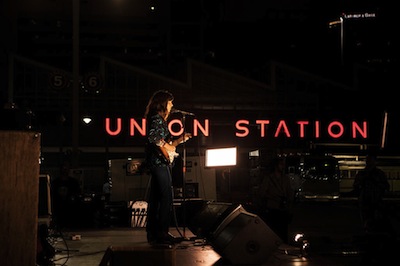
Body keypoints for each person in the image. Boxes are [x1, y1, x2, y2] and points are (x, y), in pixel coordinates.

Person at [144, 89, 191, 246]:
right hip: (159, 164)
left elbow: (164, 143)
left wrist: (178, 141)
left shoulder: (156, 119)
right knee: (165, 198)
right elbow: (154, 139)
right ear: (163, 103)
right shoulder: (157, 119)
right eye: (170, 102)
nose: (172, 105)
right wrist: (165, 154)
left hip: (157, 163)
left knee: (156, 199)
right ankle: (162, 233)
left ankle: (154, 233)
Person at [253, 156, 294, 243]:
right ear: (276, 166)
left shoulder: (285, 178)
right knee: (274, 231)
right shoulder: (269, 178)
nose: (283, 166)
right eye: (281, 164)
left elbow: (289, 192)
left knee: (283, 232)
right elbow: (262, 193)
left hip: (282, 208)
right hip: (272, 208)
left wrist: (289, 204)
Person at [353, 153, 390, 233]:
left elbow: (356, 187)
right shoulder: (379, 174)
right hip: (372, 200)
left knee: (369, 219)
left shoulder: (362, 174)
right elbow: (386, 186)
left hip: (370, 200)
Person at [51, 161, 81, 228]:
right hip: (58, 210)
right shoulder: (55, 183)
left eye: (66, 168)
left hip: (70, 211)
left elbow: (77, 195)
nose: (65, 170)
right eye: (63, 168)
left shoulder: (73, 183)